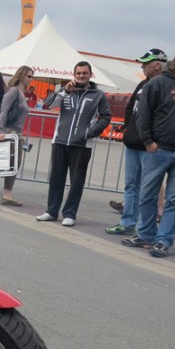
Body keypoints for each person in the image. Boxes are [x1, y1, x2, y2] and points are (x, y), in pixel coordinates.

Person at [121, 48, 175, 257]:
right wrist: (149, 142)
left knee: (174, 200)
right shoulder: (157, 84)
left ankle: (163, 240)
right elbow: (143, 115)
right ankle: (145, 234)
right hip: (158, 150)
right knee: (147, 195)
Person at [35, 61, 111, 226]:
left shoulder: (98, 95)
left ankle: (70, 213)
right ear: (74, 74)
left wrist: (88, 133)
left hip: (82, 145)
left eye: (84, 73)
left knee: (77, 181)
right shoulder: (66, 91)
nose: (81, 76)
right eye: (78, 73)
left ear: (90, 75)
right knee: (56, 178)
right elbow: (49, 104)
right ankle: (51, 211)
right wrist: (64, 91)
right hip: (60, 141)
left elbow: (106, 117)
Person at [105, 48, 168, 235]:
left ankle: (143, 227)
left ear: (157, 65)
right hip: (133, 143)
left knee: (148, 188)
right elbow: (130, 108)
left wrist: (152, 140)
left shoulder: (165, 86)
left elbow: (164, 116)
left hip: (150, 147)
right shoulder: (142, 84)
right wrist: (127, 130)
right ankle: (127, 221)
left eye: (146, 63)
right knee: (131, 185)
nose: (142, 67)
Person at [0, 66, 35, 206]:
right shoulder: (13, 91)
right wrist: (0, 131)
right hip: (9, 132)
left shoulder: (21, 93)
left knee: (13, 164)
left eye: (32, 77)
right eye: (29, 76)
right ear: (22, 75)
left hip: (17, 133)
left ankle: (7, 195)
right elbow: (4, 110)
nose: (31, 79)